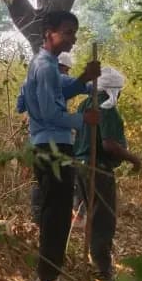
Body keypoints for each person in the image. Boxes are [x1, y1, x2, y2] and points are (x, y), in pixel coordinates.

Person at [20, 10, 100, 281]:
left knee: (57, 212)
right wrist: (83, 120)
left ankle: (48, 277)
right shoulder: (43, 67)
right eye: (67, 32)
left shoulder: (51, 66)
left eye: (74, 33)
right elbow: (49, 112)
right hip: (52, 148)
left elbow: (59, 92)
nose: (72, 38)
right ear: (49, 32)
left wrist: (82, 80)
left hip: (53, 146)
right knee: (56, 215)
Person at [73, 66, 141, 281]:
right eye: (119, 90)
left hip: (80, 166)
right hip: (97, 169)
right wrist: (134, 159)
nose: (119, 94)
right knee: (103, 219)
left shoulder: (84, 104)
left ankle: (92, 261)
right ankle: (102, 269)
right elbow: (109, 144)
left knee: (92, 215)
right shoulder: (107, 107)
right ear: (113, 90)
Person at [20, 51, 82, 225]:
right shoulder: (56, 78)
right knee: (59, 185)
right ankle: (50, 222)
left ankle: (39, 219)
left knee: (41, 181)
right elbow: (84, 85)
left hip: (35, 139)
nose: (67, 73)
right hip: (53, 143)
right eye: (66, 69)